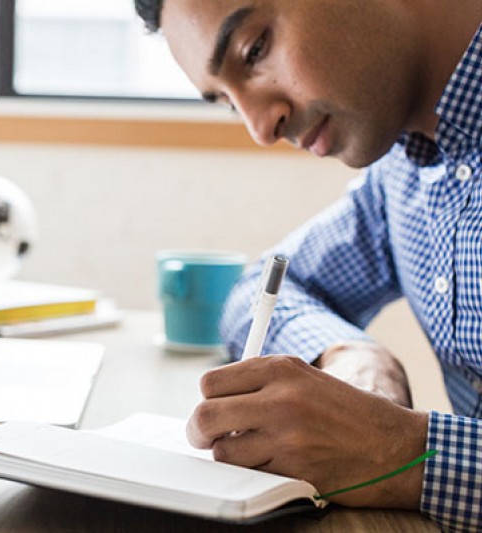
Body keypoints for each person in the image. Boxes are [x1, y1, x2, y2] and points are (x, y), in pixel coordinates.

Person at [134, 0, 482, 531]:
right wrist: (354, 357)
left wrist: (400, 452)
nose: (260, 127)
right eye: (228, 101)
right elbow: (263, 287)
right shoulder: (403, 175)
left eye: (255, 50)